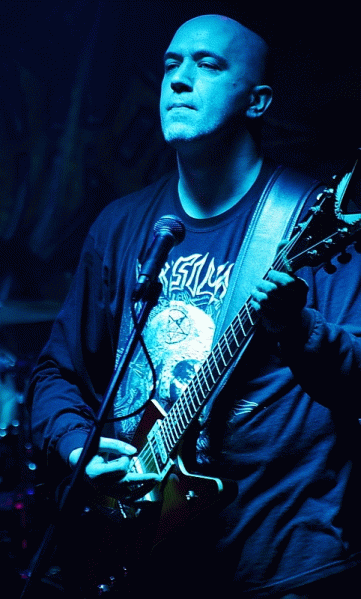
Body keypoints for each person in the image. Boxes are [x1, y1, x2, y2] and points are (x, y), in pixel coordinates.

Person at [28, 14, 361, 599]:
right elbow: (56, 372)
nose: (179, 80)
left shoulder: (310, 221)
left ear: (258, 101)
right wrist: (79, 446)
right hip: (143, 553)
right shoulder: (121, 225)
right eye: (170, 64)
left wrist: (298, 328)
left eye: (208, 65)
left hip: (279, 564)